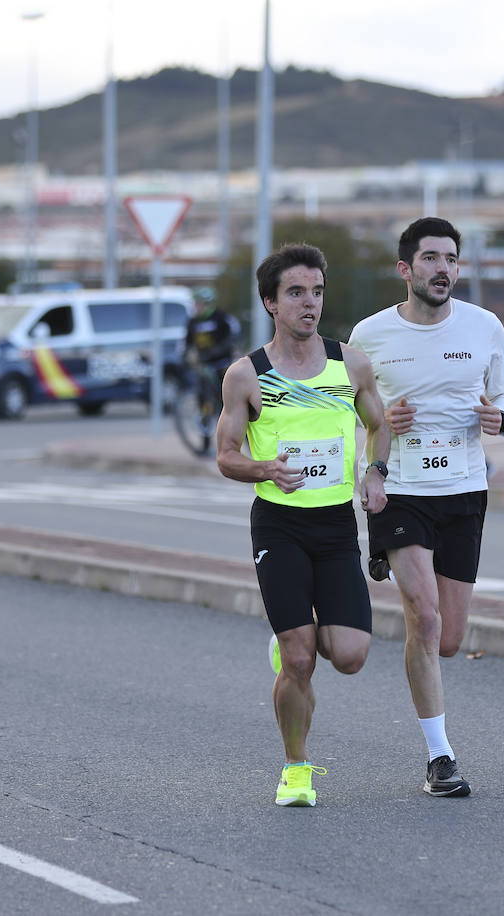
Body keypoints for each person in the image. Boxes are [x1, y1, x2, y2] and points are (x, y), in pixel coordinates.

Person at [348, 216, 504, 798]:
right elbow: (348, 412)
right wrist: (373, 446)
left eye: (451, 258)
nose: (443, 268)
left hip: (465, 489)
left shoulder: (484, 326)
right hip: (400, 487)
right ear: (406, 269)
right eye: (431, 258)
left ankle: (338, 628)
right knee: (423, 617)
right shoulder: (369, 336)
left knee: (447, 637)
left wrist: (503, 416)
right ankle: (440, 757)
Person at [216, 243, 389, 808]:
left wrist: (376, 474)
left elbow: (379, 425)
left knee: (351, 656)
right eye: (295, 293)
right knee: (299, 657)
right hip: (279, 526)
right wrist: (263, 467)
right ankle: (297, 768)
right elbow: (225, 454)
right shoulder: (247, 376)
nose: (308, 303)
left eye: (316, 291)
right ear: (270, 302)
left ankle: (295, 642)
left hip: (337, 527)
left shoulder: (351, 364)